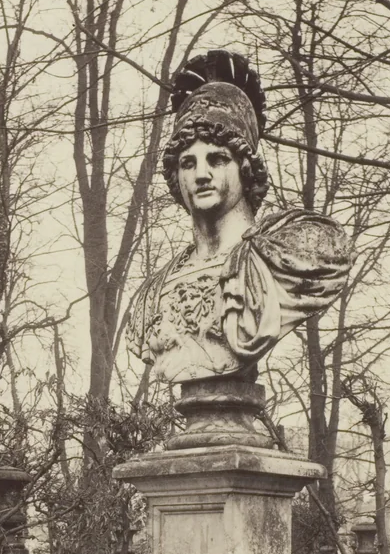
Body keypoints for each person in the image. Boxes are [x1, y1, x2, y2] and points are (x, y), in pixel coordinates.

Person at [127, 49, 352, 385]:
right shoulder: (151, 293)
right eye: (188, 163)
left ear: (245, 170)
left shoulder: (295, 251)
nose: (200, 174)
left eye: (216, 159)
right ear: (177, 177)